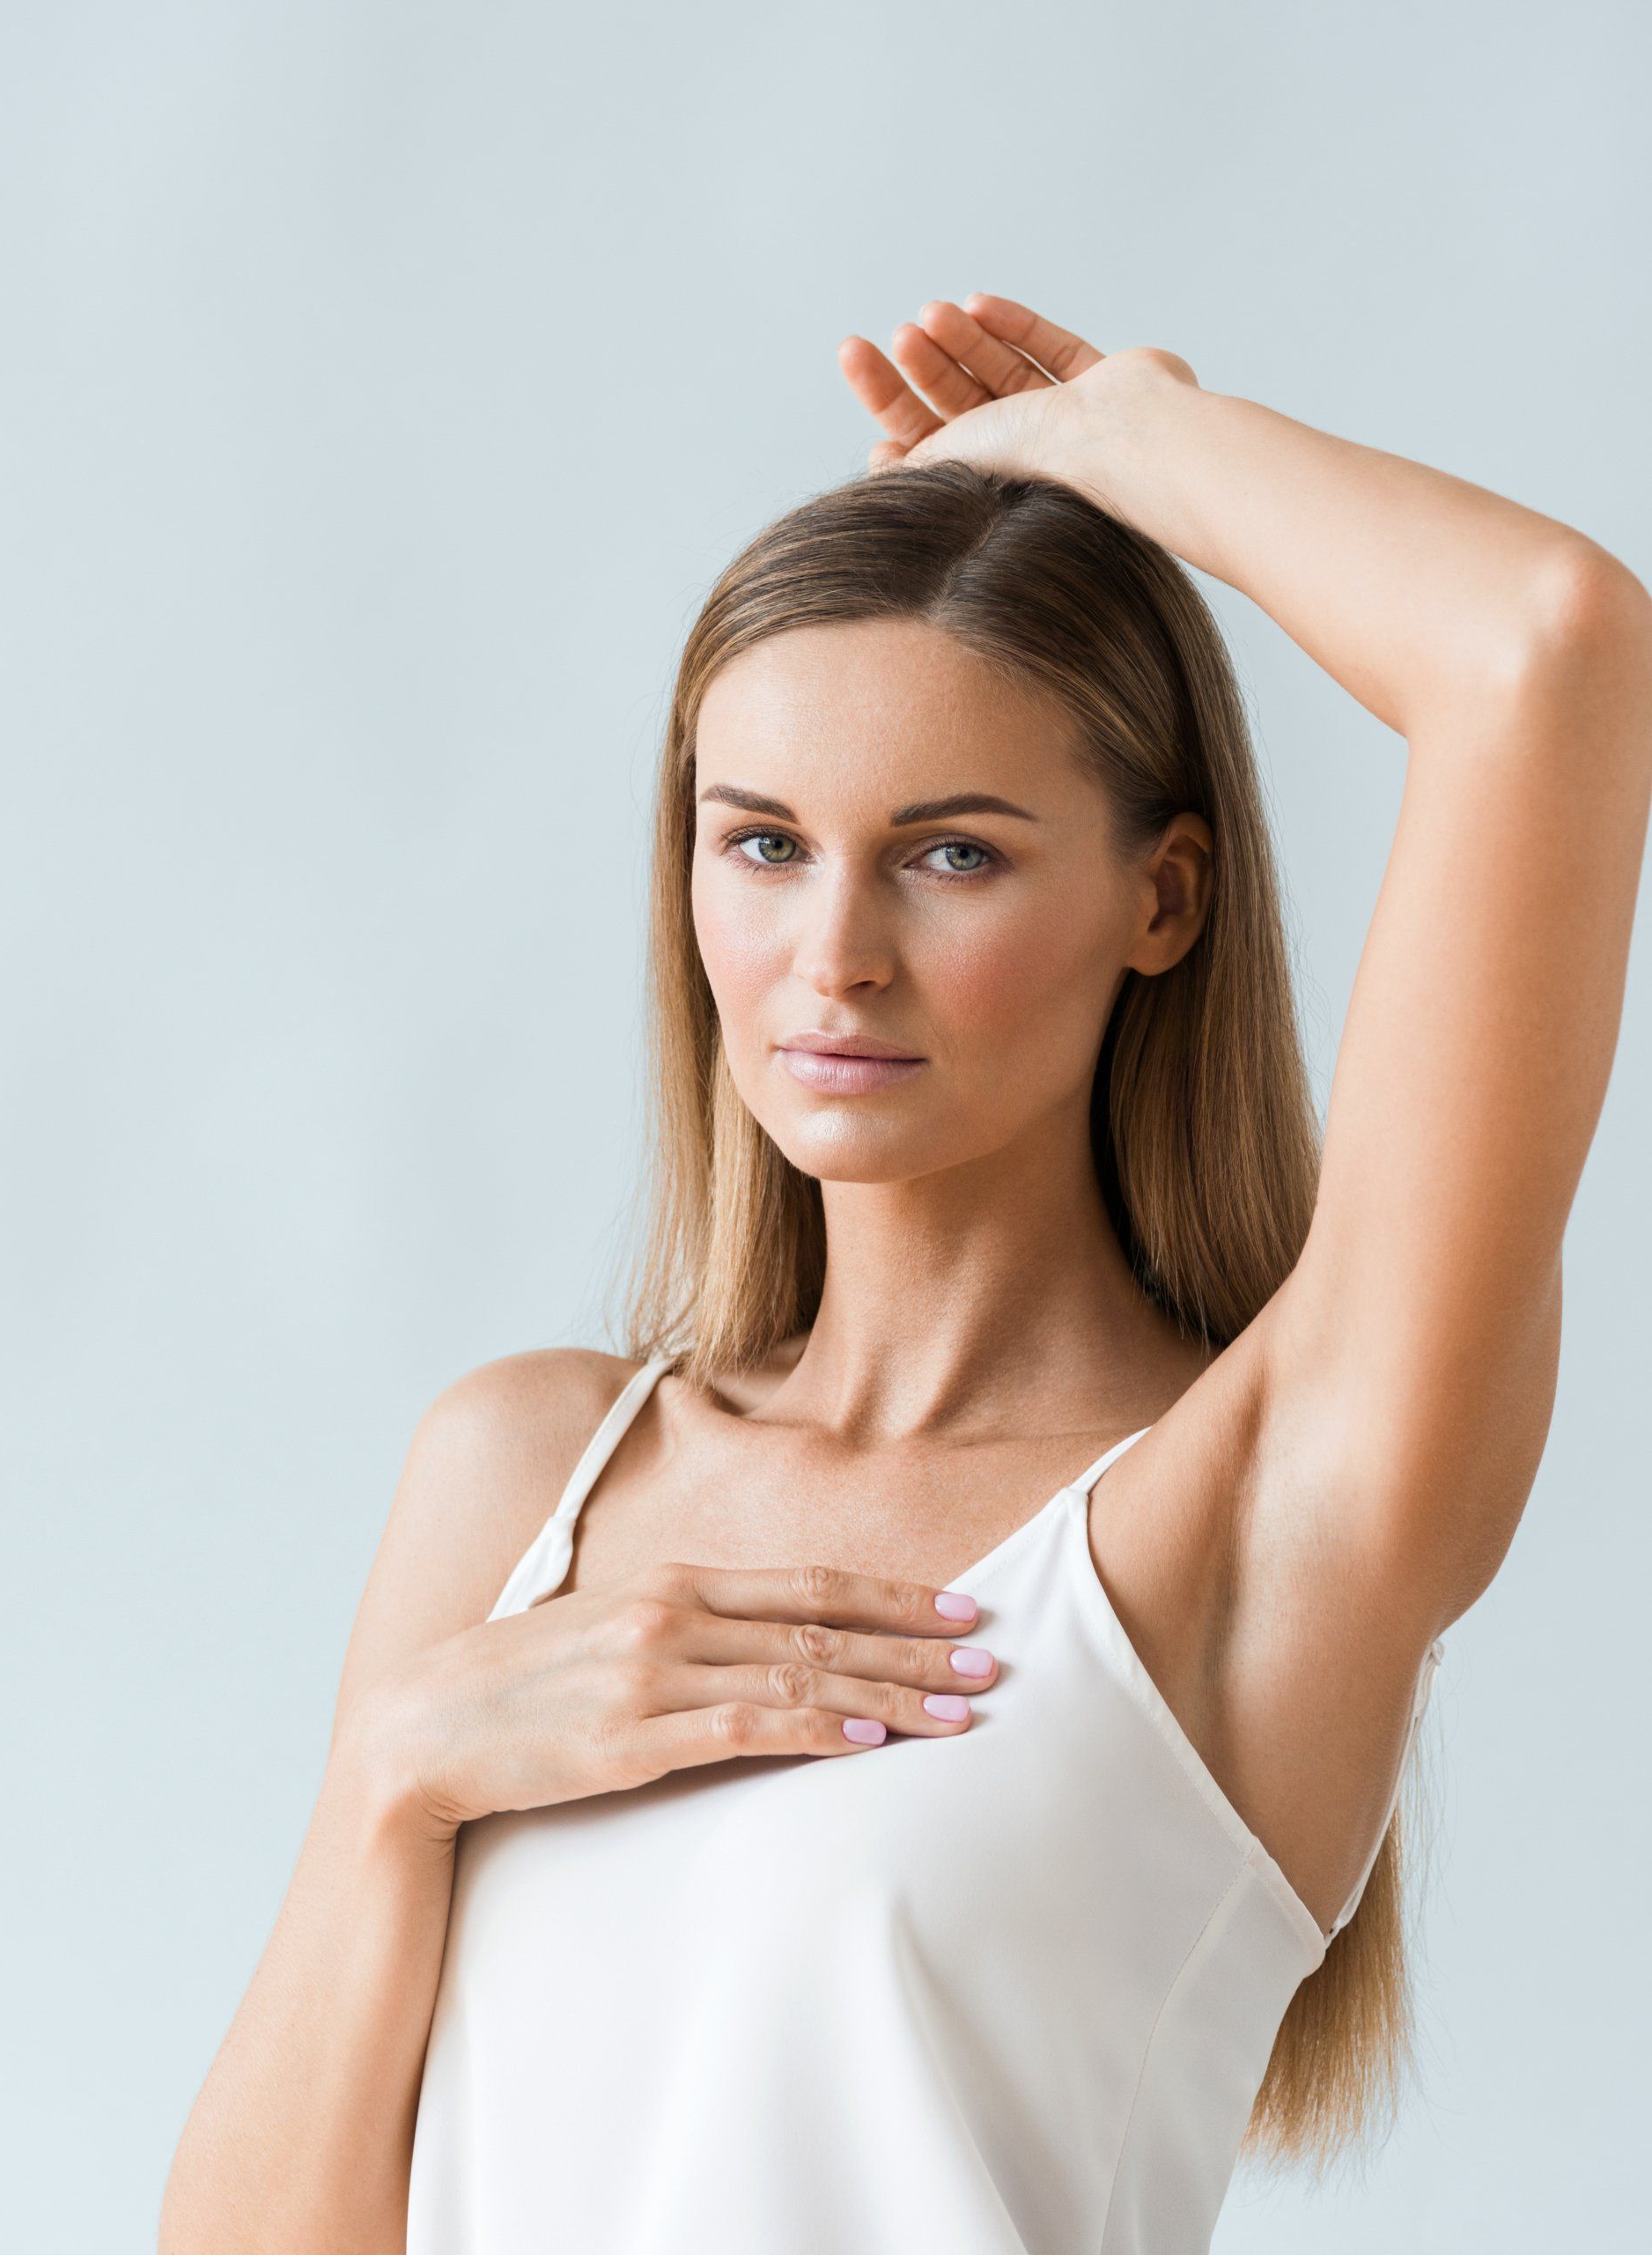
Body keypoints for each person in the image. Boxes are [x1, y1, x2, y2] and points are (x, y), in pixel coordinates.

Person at [159, 297, 1652, 2254]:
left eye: (950, 855)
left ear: (1163, 896)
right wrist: (392, 1779)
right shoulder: (525, 1474)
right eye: (763, 842)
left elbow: (1551, 651)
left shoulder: (1274, 1506)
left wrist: (1139, 445)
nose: (833, 951)